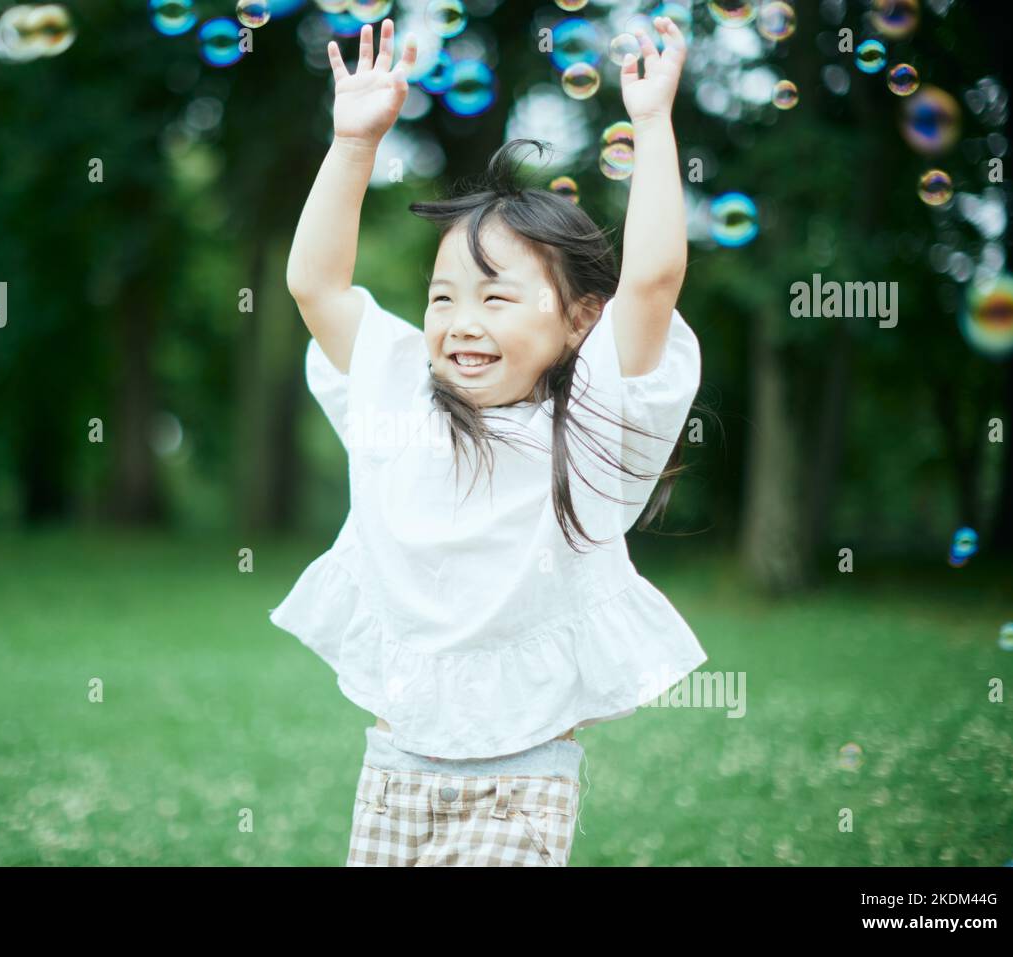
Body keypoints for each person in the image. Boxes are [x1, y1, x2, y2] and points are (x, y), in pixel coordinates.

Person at [270, 15, 705, 866]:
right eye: (442, 297)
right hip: (392, 767)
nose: (461, 322)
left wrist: (652, 126)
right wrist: (353, 142)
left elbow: (651, 279)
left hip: (522, 779)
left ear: (580, 322)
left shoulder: (588, 430)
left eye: (497, 298)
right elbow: (314, 283)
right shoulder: (395, 392)